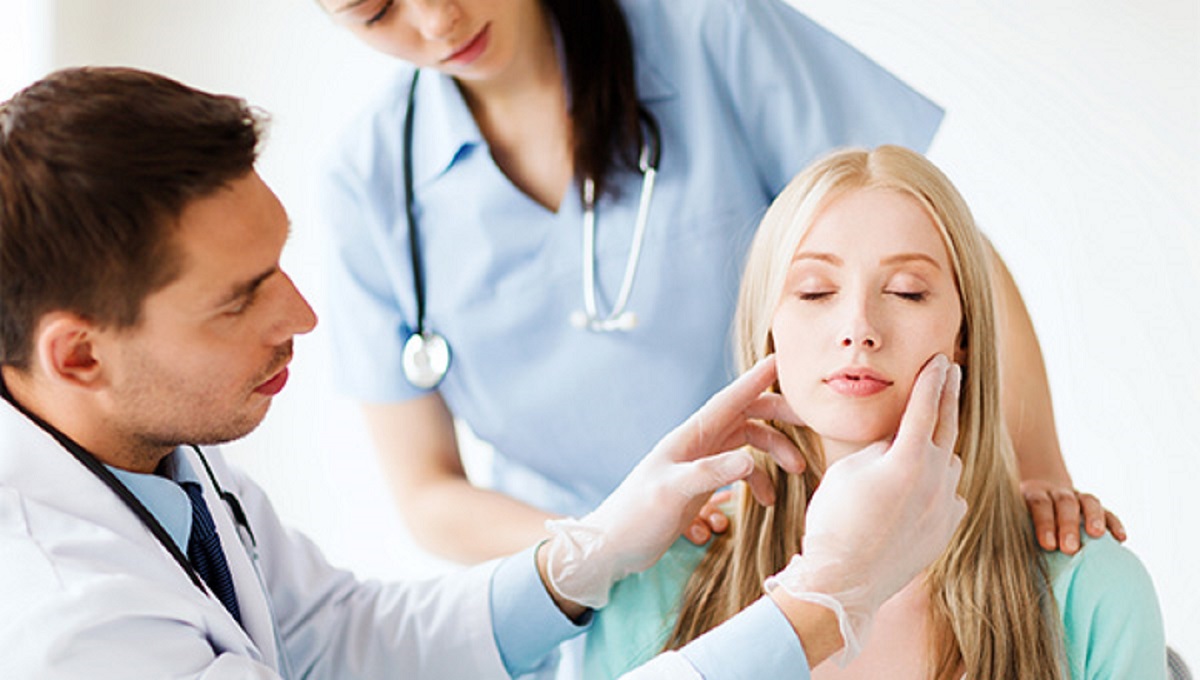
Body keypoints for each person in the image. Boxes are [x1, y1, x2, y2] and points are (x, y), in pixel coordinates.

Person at [0, 66, 968, 680]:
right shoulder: (70, 625)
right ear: (78, 353)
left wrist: (580, 556)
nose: (303, 314)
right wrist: (818, 601)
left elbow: (337, 638)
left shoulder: (151, 462)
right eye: (241, 295)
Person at [316, 0, 1117, 572]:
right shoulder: (370, 183)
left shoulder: (708, 29)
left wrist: (1034, 470)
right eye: (374, 9)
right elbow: (427, 495)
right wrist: (617, 536)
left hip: (811, 533)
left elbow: (941, 252)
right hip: (585, 585)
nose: (436, 21)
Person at [584, 146, 1166, 679]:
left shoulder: (1091, 591)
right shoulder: (660, 582)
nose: (858, 328)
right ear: (769, 331)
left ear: (965, 333)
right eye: (814, 291)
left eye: (908, 291)